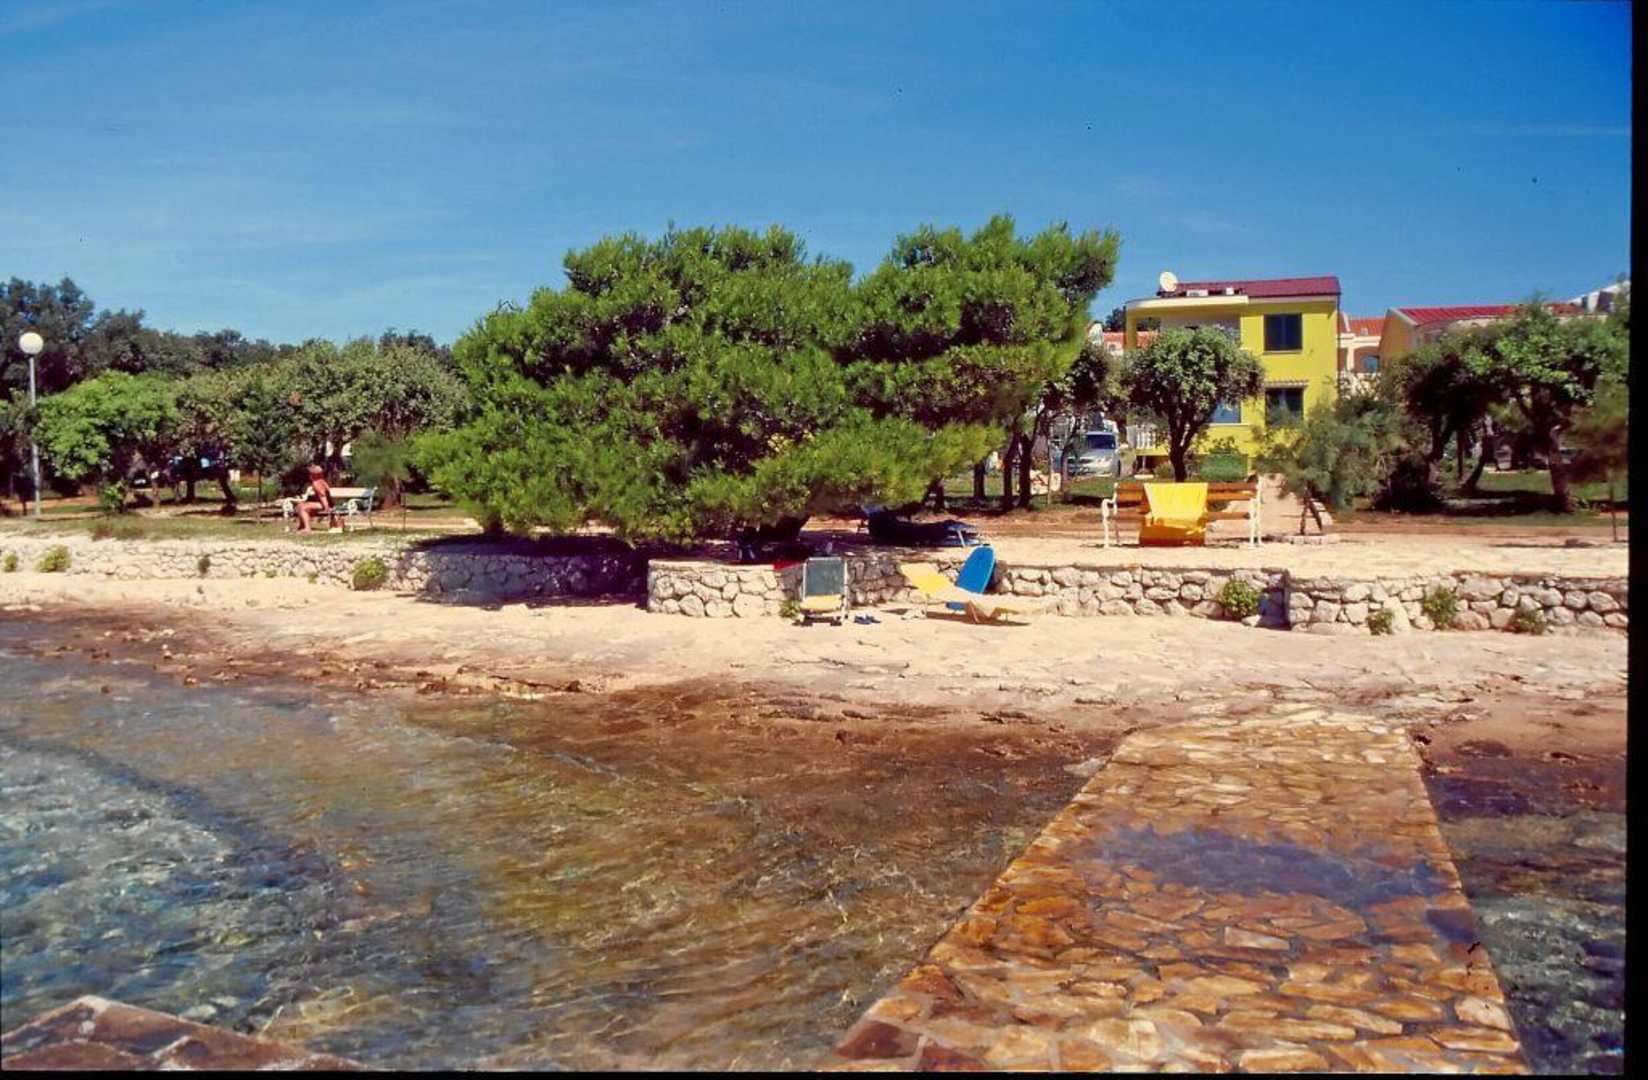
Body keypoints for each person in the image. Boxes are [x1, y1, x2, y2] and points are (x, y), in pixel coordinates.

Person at [294, 465, 334, 533]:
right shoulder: (321, 481)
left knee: (302, 508)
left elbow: (322, 496)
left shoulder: (317, 483)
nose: (309, 475)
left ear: (314, 475)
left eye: (310, 473)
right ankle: (301, 526)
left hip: (324, 504)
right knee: (300, 506)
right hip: (323, 503)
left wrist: (326, 508)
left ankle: (307, 528)